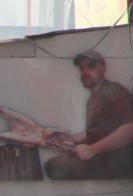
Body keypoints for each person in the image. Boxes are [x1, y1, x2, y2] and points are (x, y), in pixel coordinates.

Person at [44, 50, 133, 180]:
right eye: (82, 68)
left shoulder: (114, 92)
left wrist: (93, 149)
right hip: (103, 160)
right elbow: (97, 131)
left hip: (116, 163)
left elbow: (130, 129)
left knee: (57, 167)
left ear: (103, 68)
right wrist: (68, 139)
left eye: (91, 66)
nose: (85, 72)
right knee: (52, 166)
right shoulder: (94, 98)